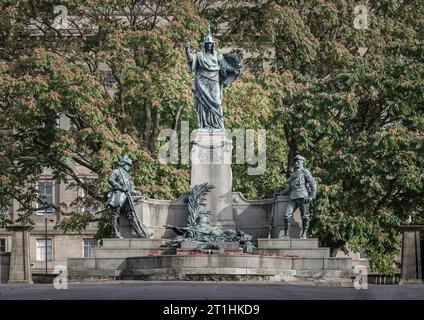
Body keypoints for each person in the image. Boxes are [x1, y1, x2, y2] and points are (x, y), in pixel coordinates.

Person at [184, 26, 239, 130]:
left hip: (214, 81)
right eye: (207, 44)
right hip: (202, 81)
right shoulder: (199, 55)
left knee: (217, 102)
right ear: (204, 45)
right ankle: (204, 125)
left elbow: (225, 67)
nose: (209, 45)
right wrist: (187, 49)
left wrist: (234, 70)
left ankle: (218, 125)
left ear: (213, 45)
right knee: (203, 105)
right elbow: (191, 59)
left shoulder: (218, 56)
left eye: (211, 44)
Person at [106, 155, 150, 239]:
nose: (129, 167)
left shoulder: (127, 176)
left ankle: (140, 233)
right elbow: (110, 180)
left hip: (126, 197)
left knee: (132, 214)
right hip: (117, 196)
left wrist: (138, 193)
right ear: (123, 164)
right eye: (128, 164)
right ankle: (115, 233)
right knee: (114, 216)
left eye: (129, 165)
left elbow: (130, 189)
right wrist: (120, 187)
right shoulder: (116, 171)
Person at [280, 155, 317, 239]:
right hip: (293, 197)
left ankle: (304, 234)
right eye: (296, 161)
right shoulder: (293, 175)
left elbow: (312, 184)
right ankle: (286, 234)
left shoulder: (305, 172)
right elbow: (288, 188)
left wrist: (312, 196)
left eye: (299, 161)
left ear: (302, 163)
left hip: (303, 197)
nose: (297, 163)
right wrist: (280, 193)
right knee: (286, 215)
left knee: (305, 216)